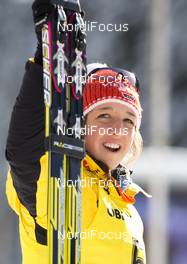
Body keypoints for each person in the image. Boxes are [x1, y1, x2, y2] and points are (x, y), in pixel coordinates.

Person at [5, 0, 149, 263]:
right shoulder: (67, 181)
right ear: (78, 123)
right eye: (104, 115)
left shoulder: (125, 204)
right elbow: (26, 153)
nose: (118, 129)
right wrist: (45, 62)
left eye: (129, 120)